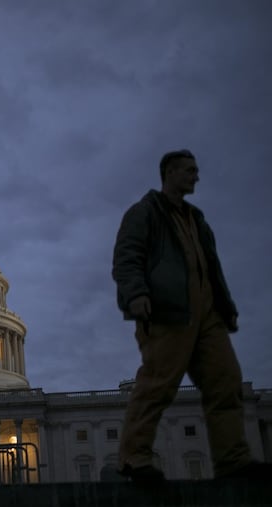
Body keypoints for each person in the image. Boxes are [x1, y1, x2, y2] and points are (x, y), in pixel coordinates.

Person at [112, 149, 271, 482]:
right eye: (189, 170)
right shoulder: (144, 213)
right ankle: (134, 458)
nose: (196, 176)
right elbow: (127, 256)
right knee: (158, 384)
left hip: (206, 312)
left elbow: (208, 267)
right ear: (169, 172)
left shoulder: (196, 219)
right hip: (168, 309)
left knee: (227, 381)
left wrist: (225, 308)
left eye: (196, 170)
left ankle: (233, 460)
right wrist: (137, 293)